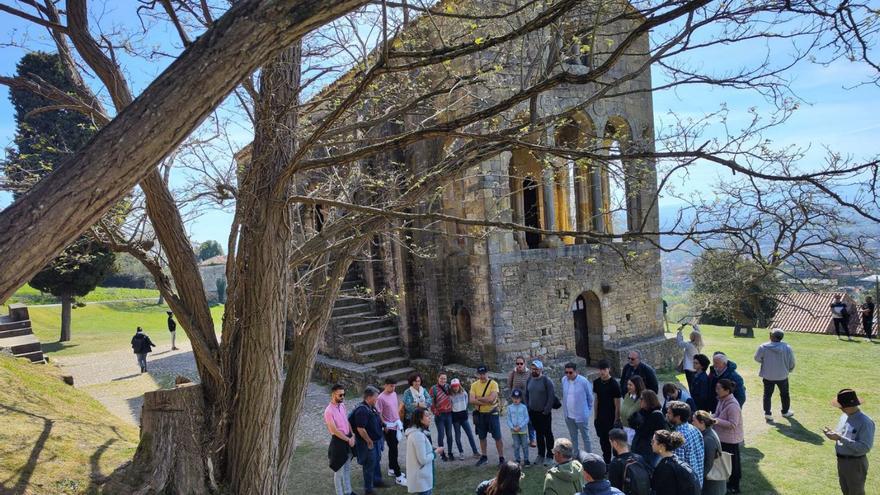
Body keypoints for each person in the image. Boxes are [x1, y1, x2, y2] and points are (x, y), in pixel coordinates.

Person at [823, 388, 875, 495]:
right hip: (842, 462)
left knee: (856, 492)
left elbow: (864, 448)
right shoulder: (844, 416)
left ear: (849, 406)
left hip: (855, 464)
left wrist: (840, 438)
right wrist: (832, 434)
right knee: (845, 491)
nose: (840, 408)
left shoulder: (865, 422)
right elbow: (841, 434)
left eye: (841, 406)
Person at [754, 328, 796, 420]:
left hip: (768, 375)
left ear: (772, 336)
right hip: (782, 376)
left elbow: (757, 358)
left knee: (767, 395)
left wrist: (765, 362)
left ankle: (767, 414)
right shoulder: (787, 348)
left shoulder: (763, 347)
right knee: (785, 394)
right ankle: (785, 412)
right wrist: (789, 370)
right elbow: (792, 362)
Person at [351, 386, 387, 494]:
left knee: (376, 462)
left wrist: (383, 425)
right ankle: (368, 489)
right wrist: (369, 441)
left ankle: (377, 481)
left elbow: (376, 419)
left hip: (376, 441)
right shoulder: (362, 409)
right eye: (376, 397)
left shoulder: (372, 407)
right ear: (369, 397)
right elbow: (360, 428)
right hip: (368, 444)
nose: (377, 399)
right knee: (369, 466)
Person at [470, 365, 505, 466]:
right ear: (478, 374)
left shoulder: (493, 384)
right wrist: (486, 400)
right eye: (480, 374)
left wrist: (478, 398)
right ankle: (484, 456)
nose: (482, 376)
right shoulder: (474, 385)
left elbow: (492, 399)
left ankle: (501, 458)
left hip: (492, 413)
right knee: (482, 437)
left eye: (484, 374)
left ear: (487, 373)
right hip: (480, 414)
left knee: (497, 437)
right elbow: (471, 400)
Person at [713, 379, 743, 494]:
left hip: (731, 440)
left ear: (727, 390)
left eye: (718, 388)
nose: (716, 390)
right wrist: (710, 417)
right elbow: (718, 414)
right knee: (726, 462)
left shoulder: (733, 406)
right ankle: (729, 483)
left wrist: (716, 421)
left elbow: (733, 424)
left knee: (734, 465)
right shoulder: (721, 400)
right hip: (723, 437)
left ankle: (735, 486)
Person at [324, 384, 355, 495]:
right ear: (333, 394)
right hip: (338, 442)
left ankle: (348, 491)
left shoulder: (342, 406)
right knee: (339, 472)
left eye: (344, 394)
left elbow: (346, 421)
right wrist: (348, 439)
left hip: (348, 438)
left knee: (347, 469)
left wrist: (352, 435)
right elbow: (334, 430)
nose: (343, 397)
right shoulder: (328, 411)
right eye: (340, 395)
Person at [376, 377, 406, 486]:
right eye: (391, 386)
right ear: (385, 385)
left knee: (394, 449)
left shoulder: (394, 394)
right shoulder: (380, 398)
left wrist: (399, 420)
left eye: (394, 386)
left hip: (396, 425)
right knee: (394, 450)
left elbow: (395, 407)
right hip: (388, 428)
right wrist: (384, 425)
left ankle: (391, 469)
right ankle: (398, 476)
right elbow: (378, 413)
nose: (393, 388)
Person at [666, 401, 704, 487]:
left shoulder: (678, 437)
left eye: (669, 413)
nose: (667, 415)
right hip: (698, 482)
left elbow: (678, 467)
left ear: (678, 417)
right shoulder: (695, 429)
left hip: (686, 485)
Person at [650, 430, 701, 495]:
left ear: (661, 446)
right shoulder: (677, 461)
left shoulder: (665, 468)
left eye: (653, 441)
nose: (651, 444)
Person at [525, 359, 556, 466]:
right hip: (533, 412)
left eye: (536, 369)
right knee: (538, 434)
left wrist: (546, 410)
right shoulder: (529, 380)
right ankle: (541, 455)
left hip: (544, 413)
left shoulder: (547, 381)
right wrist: (528, 407)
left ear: (541, 369)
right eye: (532, 369)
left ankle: (550, 455)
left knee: (548, 434)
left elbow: (551, 397)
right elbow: (527, 394)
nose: (534, 371)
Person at [405, 407, 442, 495]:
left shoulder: (416, 433)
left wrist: (431, 449)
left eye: (429, 415)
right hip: (421, 478)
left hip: (421, 477)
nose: (430, 417)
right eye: (426, 415)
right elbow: (423, 460)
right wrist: (436, 452)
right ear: (420, 419)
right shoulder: (418, 435)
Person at [691, 410, 726, 495]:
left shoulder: (708, 439)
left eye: (693, 421)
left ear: (702, 423)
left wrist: (698, 479)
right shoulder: (708, 432)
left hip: (712, 484)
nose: (692, 423)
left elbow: (708, 464)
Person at [562, 362, 594, 455]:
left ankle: (589, 457)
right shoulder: (564, 380)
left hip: (581, 416)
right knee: (573, 437)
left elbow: (590, 398)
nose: (568, 375)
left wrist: (587, 412)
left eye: (570, 372)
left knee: (586, 437)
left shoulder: (584, 381)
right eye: (566, 372)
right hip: (569, 415)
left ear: (576, 372)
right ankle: (575, 455)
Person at [593, 360, 621, 464]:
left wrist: (617, 419)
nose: (602, 372)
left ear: (609, 369)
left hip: (611, 416)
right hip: (601, 416)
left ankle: (617, 463)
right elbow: (597, 399)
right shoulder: (596, 382)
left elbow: (617, 403)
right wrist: (595, 416)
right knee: (603, 441)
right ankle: (607, 463)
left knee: (614, 442)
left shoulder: (614, 384)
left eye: (604, 369)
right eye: (600, 369)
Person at [630, 389, 668, 467]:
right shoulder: (643, 411)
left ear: (648, 400)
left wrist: (638, 425)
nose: (640, 401)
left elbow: (645, 431)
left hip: (649, 451)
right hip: (639, 447)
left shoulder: (657, 415)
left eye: (641, 399)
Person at [607, 428, 651, 495]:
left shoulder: (615, 464)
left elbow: (614, 490)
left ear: (615, 443)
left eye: (610, 442)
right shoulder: (639, 458)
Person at [508, 355, 537, 447]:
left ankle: (532, 439)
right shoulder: (513, 373)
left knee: (530, 420)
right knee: (517, 419)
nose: (519, 365)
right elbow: (509, 384)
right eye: (517, 363)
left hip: (528, 401)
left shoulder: (529, 373)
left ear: (524, 364)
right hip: (516, 401)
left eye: (521, 363)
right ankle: (519, 439)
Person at [449, 378, 480, 459]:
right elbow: (450, 406)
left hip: (464, 417)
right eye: (453, 386)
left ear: (459, 385)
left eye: (456, 386)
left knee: (470, 434)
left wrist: (463, 410)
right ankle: (461, 452)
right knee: (457, 436)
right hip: (455, 418)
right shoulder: (450, 396)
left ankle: (475, 452)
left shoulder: (464, 393)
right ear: (451, 387)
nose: (455, 388)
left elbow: (466, 404)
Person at [429, 372, 455, 461]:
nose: (443, 380)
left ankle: (450, 453)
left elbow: (455, 395)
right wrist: (435, 412)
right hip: (440, 415)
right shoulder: (433, 389)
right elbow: (431, 403)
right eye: (441, 378)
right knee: (441, 434)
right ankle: (442, 454)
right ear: (438, 378)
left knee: (449, 435)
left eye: (444, 378)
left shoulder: (448, 387)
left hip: (449, 414)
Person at [507, 389, 530, 466]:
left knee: (525, 445)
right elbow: (508, 419)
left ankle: (526, 460)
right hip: (514, 430)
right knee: (516, 445)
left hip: (522, 430)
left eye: (518, 398)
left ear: (520, 398)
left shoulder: (523, 407)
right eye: (514, 398)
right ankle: (517, 460)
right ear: (512, 398)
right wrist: (512, 427)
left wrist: (520, 426)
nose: (516, 400)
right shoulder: (509, 407)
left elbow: (526, 418)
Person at [619, 376, 645, 444]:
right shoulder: (627, 395)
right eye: (628, 384)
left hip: (634, 432)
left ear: (637, 386)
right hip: (624, 430)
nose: (628, 386)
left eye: (630, 385)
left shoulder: (642, 399)